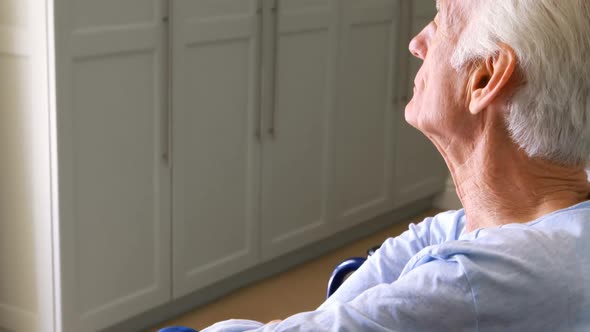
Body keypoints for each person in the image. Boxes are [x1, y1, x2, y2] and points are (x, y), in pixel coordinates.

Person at [201, 1, 590, 330]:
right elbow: (423, 241)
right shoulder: (554, 225)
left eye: (439, 23)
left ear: (485, 78)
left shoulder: (480, 282)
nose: (417, 43)